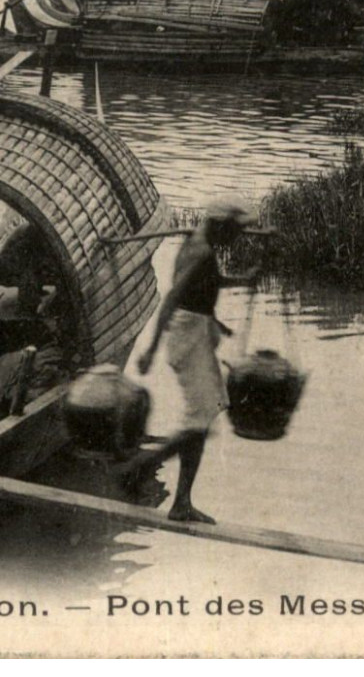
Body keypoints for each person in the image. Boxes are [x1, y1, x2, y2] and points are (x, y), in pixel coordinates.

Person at [120, 200, 260, 524]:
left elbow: (206, 283)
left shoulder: (197, 242)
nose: (236, 240)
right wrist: (149, 350)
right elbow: (172, 298)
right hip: (186, 335)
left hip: (193, 331)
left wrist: (240, 281)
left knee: (206, 412)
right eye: (234, 233)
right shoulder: (200, 253)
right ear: (221, 229)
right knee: (200, 417)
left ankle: (180, 500)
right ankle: (143, 470)